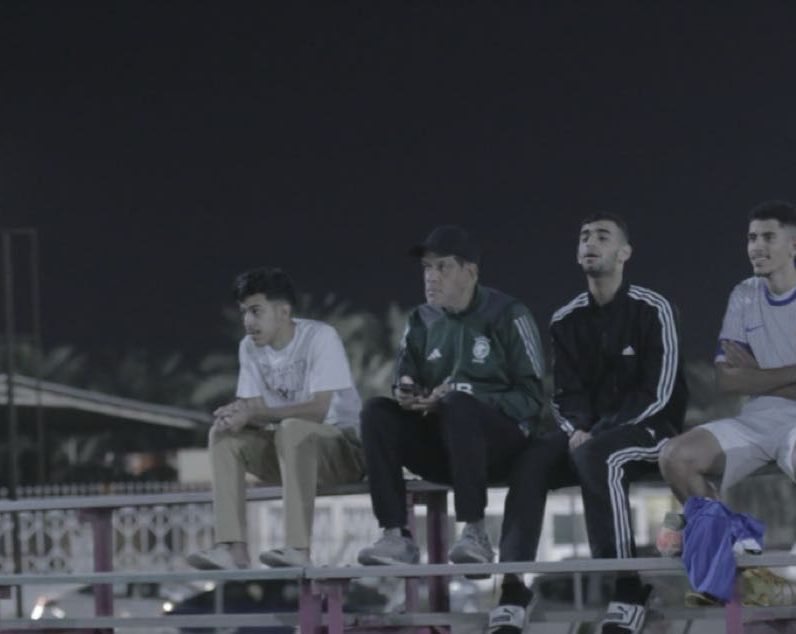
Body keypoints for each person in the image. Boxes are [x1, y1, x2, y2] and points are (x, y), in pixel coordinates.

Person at [490, 212, 688, 634]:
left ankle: (627, 586)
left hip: (651, 430)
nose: (590, 243)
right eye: (583, 236)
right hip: (588, 436)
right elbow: (564, 393)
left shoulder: (654, 308)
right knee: (532, 459)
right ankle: (513, 586)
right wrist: (578, 427)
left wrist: (598, 432)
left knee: (598, 456)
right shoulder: (566, 319)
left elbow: (659, 391)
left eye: (602, 236)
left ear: (624, 252)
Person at [657, 201, 796, 606]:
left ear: (794, 245)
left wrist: (760, 376)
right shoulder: (744, 294)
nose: (756, 246)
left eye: (768, 237)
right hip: (755, 419)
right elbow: (726, 379)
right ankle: (734, 548)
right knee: (674, 457)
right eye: (751, 238)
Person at [356, 225, 545, 566]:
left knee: (457, 404)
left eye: (442, 266)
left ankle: (475, 533)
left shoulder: (508, 314)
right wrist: (407, 391)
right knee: (376, 412)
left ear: (470, 272)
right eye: (427, 267)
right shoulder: (421, 319)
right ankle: (395, 536)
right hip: (444, 447)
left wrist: (464, 395)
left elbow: (532, 399)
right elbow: (404, 374)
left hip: (500, 448)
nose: (431, 277)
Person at [187, 268, 364, 570]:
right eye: (244, 312)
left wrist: (254, 412)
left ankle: (298, 549)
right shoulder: (249, 348)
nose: (248, 322)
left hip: (345, 454)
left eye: (256, 311)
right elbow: (257, 410)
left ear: (283, 312)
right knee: (223, 435)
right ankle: (232, 549)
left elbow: (319, 410)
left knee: (292, 428)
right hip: (291, 456)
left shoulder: (320, 337)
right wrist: (237, 415)